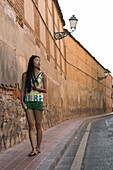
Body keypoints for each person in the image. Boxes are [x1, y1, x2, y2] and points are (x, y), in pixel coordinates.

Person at [21, 55, 47, 156]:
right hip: (28, 102)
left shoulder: (43, 75)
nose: (39, 62)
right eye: (37, 60)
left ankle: (38, 147)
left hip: (38, 102)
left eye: (39, 60)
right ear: (32, 62)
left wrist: (35, 88)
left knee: (38, 125)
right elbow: (23, 89)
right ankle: (33, 149)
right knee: (31, 126)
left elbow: (45, 90)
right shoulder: (25, 75)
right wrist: (22, 102)